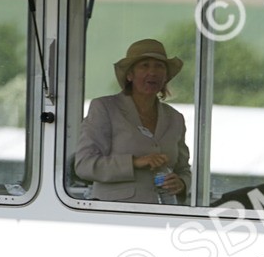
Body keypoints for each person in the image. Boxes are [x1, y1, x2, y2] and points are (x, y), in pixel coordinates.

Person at [74, 39, 190, 204]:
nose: (153, 72)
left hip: (164, 215)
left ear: (165, 77)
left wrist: (182, 183)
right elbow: (84, 165)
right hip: (115, 215)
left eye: (159, 66)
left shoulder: (175, 118)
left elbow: (183, 169)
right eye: (144, 65)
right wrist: (134, 162)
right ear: (130, 75)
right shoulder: (104, 108)